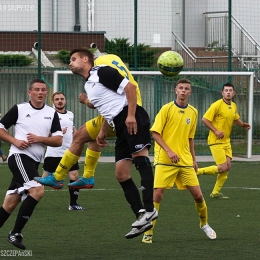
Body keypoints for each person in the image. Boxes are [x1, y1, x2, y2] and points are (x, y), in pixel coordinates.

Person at [35, 49, 158, 239]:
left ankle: (149, 209)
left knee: (141, 160)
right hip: (117, 122)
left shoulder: (101, 71)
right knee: (121, 173)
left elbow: (130, 88)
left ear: (86, 59)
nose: (70, 63)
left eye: (73, 59)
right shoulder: (90, 84)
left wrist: (132, 115)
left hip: (131, 116)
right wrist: (102, 131)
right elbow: (107, 107)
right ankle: (141, 216)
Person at [142, 78, 216, 244]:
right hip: (164, 160)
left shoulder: (194, 112)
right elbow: (155, 133)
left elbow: (190, 138)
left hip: (185, 161)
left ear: (190, 92)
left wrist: (194, 160)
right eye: (181, 88)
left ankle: (204, 224)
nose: (183, 90)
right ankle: (149, 232)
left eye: (186, 88)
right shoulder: (166, 109)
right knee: (158, 195)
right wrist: (169, 150)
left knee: (198, 196)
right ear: (175, 90)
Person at [0, 79, 63, 249]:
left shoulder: (52, 113)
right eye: (36, 90)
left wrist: (40, 139)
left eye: (43, 90)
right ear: (30, 92)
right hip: (19, 157)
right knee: (37, 190)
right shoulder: (19, 109)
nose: (40, 92)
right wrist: (14, 140)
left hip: (33, 162)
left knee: (10, 203)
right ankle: (15, 233)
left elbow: (58, 140)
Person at [196, 82, 251, 199]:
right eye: (226, 90)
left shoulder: (233, 105)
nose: (228, 92)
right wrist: (216, 131)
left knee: (228, 167)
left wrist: (243, 125)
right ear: (222, 93)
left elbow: (235, 118)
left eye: (230, 90)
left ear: (234, 93)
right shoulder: (216, 105)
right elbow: (205, 119)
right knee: (222, 167)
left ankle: (215, 192)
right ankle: (197, 172)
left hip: (226, 141)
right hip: (215, 141)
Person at [42, 91, 85, 210]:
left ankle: (73, 204)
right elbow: (44, 134)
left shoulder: (70, 114)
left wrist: (78, 139)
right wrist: (59, 132)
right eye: (57, 99)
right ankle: (29, 195)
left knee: (74, 176)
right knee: (44, 179)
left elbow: (73, 129)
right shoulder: (49, 115)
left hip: (69, 152)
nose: (60, 101)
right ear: (53, 102)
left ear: (65, 100)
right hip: (53, 153)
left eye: (61, 98)